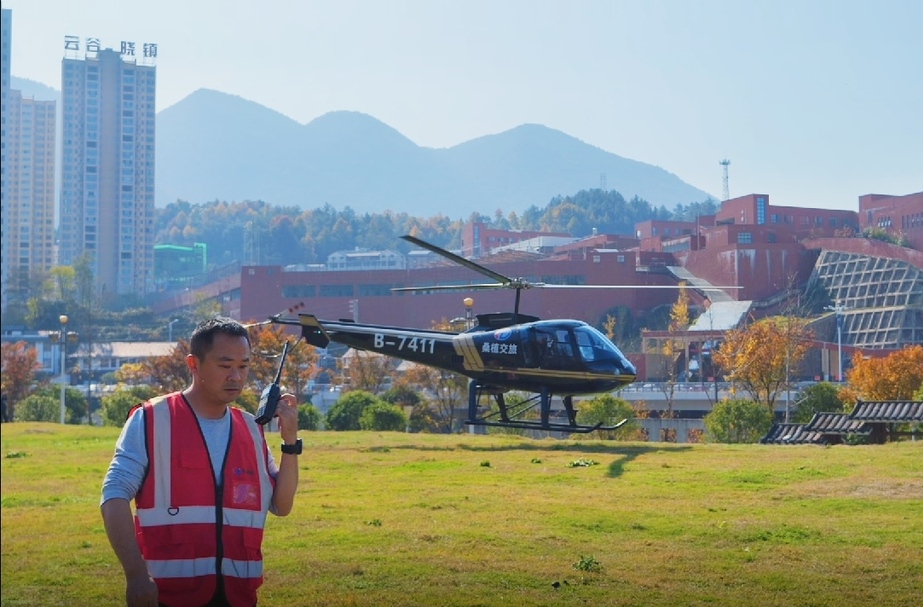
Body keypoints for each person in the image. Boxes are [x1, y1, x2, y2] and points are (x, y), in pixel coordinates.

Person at [100, 316, 301, 607]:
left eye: (243, 366)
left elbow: (281, 506)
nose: (236, 376)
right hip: (168, 597)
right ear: (193, 364)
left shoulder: (250, 428)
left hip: (239, 597)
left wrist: (290, 442)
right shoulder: (151, 419)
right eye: (225, 365)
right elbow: (113, 496)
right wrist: (135, 575)